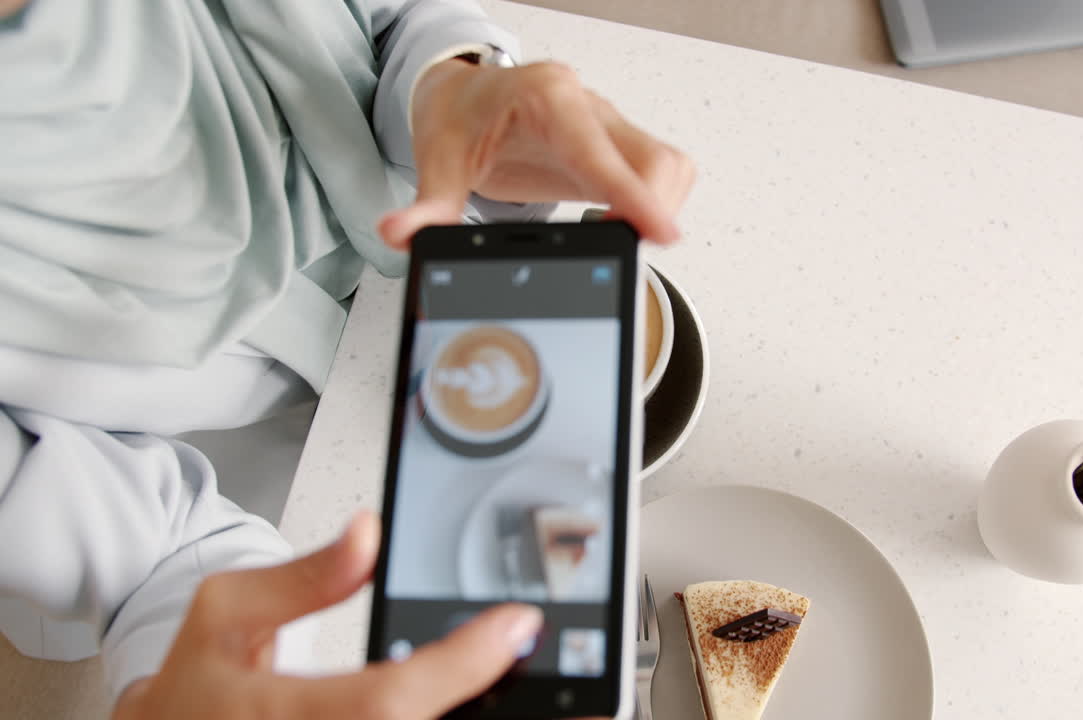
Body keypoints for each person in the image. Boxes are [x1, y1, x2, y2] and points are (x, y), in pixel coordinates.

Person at [0, 0, 694, 717]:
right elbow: (157, 559)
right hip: (227, 474)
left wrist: (445, 82)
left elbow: (390, 14)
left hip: (416, 289)